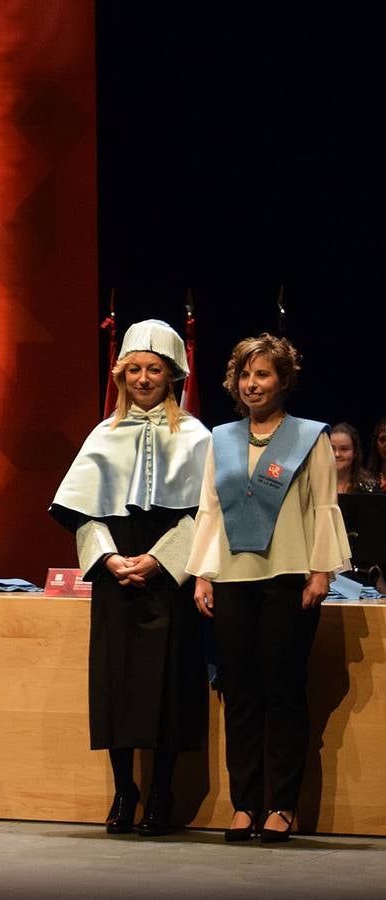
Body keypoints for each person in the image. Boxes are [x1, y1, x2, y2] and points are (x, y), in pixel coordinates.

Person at [49, 320, 212, 837]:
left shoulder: (196, 435)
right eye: (134, 370)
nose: (143, 379)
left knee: (168, 686)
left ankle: (163, 793)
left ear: (172, 376)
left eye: (154, 370)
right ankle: (125, 791)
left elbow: (206, 513)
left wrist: (163, 560)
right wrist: (109, 559)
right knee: (117, 684)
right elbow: (81, 511)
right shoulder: (105, 433)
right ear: (122, 375)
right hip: (116, 573)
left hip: (170, 576)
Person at [187, 334, 351, 843]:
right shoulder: (223, 438)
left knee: (283, 691)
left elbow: (323, 505)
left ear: (283, 381)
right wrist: (202, 572)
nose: (252, 384)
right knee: (240, 693)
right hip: (233, 579)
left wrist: (321, 570)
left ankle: (281, 805)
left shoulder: (309, 437)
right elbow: (210, 508)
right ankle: (245, 805)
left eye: (263, 375)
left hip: (287, 577)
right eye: (245, 375)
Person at [330, 422, 380, 495]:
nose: (336, 454)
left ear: (355, 453)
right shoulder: (315, 485)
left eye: (344, 449)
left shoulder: (370, 489)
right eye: (332, 448)